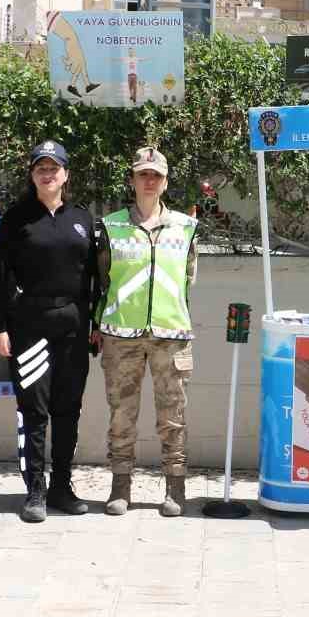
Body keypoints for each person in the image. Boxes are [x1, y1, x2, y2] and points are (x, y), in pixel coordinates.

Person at [0, 140, 101, 523]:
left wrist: (95, 325)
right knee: (34, 410)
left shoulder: (83, 219)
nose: (48, 173)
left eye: (54, 168)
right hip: (30, 324)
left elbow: (95, 279)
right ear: (32, 174)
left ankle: (62, 487)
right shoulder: (16, 219)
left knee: (68, 408)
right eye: (41, 168)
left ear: (66, 174)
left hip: (73, 325)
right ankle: (34, 489)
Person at [93, 147, 199, 517]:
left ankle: (175, 486)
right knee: (121, 413)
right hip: (121, 334)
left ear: (165, 181)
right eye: (143, 174)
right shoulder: (111, 226)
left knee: (173, 415)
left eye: (156, 175)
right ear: (133, 179)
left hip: (171, 333)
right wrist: (97, 324)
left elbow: (188, 279)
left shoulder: (186, 227)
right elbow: (102, 280)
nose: (149, 180)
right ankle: (120, 486)